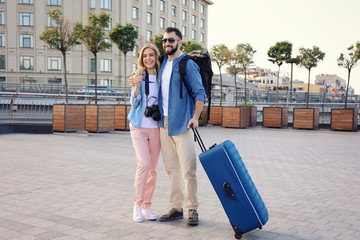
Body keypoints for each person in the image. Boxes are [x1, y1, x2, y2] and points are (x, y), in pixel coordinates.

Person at [157, 27, 206, 225]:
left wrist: (195, 117)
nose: (167, 44)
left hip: (184, 124)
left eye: (170, 40)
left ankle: (192, 209)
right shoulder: (162, 65)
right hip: (164, 124)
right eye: (164, 41)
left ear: (179, 42)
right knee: (171, 169)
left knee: (188, 169)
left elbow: (200, 93)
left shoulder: (188, 64)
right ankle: (176, 208)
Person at [127, 43, 162, 223]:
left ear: (156, 57)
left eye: (152, 55)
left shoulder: (161, 76)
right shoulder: (137, 75)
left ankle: (147, 205)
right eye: (145, 55)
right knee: (144, 165)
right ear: (142, 58)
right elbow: (134, 103)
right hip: (139, 126)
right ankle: (137, 205)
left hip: (155, 127)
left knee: (153, 170)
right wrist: (137, 86)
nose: (148, 58)